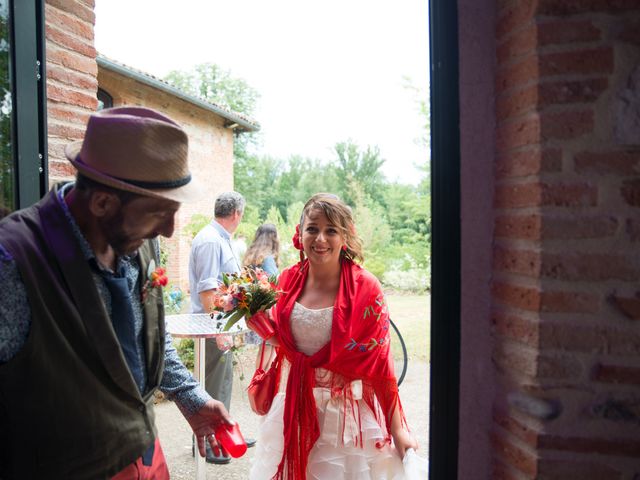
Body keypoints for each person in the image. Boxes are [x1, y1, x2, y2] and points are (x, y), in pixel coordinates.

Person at [0, 107, 234, 479]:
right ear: (102, 203)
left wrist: (191, 397)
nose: (170, 231)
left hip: (144, 456)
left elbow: (149, 336)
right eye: (159, 213)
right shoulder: (13, 263)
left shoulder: (133, 239)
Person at [247, 193, 418, 480]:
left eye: (331, 230)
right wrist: (264, 328)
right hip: (292, 409)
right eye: (312, 228)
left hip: (344, 424)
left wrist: (397, 428)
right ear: (299, 234)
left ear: (345, 237)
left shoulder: (367, 287)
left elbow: (380, 366)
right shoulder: (287, 280)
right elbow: (291, 345)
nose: (320, 239)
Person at [188, 191, 256, 464]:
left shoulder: (221, 239)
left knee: (223, 383)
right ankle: (207, 445)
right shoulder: (209, 241)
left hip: (222, 324)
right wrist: (219, 330)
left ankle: (225, 434)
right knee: (211, 387)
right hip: (210, 326)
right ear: (237, 214)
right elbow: (207, 290)